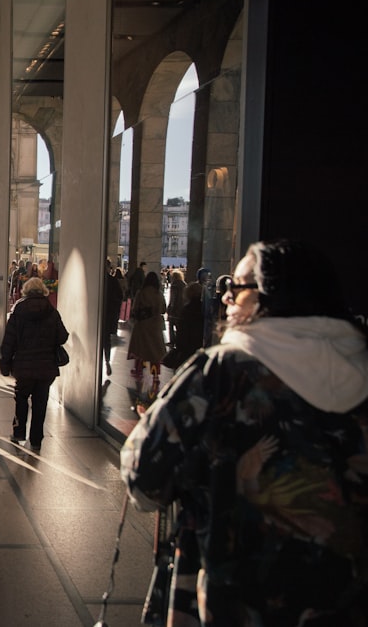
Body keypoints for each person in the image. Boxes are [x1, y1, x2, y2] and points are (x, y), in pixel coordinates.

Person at [121, 240, 368, 625]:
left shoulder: (222, 372)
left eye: (236, 288)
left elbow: (144, 478)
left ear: (271, 297)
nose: (225, 299)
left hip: (232, 602)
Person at [0, 277, 68, 451]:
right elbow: (62, 336)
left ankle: (19, 432)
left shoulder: (19, 311)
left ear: (25, 291)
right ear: (43, 291)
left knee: (21, 399)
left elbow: (9, 340)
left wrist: (5, 363)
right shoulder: (51, 311)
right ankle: (36, 440)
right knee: (41, 401)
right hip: (46, 366)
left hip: (23, 365)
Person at [127, 271, 167, 396]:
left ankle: (138, 371)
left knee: (140, 350)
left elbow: (135, 308)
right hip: (155, 325)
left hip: (142, 325)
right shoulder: (159, 294)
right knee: (155, 352)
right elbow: (163, 309)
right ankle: (155, 375)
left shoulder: (141, 293)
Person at [102, 261, 124, 376]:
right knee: (106, 341)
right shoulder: (112, 281)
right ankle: (107, 361)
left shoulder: (95, 280)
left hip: (97, 315)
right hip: (108, 315)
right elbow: (119, 297)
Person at [166, 268, 186, 346]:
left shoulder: (174, 285)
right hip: (182, 309)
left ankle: (172, 341)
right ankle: (179, 341)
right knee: (179, 327)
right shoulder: (184, 284)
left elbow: (173, 298)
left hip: (174, 309)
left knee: (171, 326)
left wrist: (170, 307)